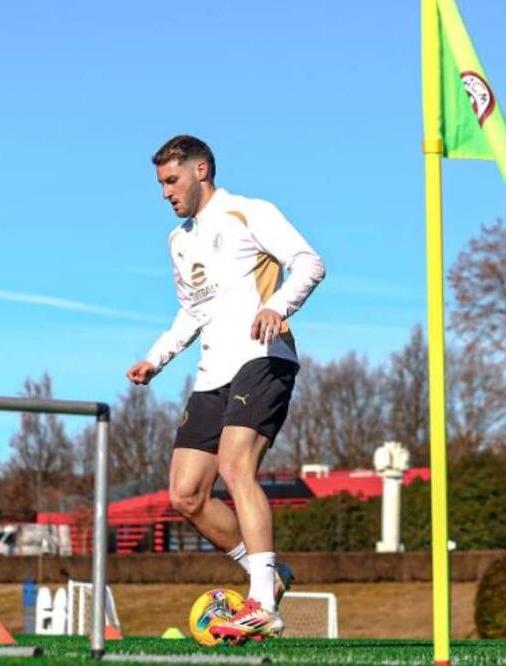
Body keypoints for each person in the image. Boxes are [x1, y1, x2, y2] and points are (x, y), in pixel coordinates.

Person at [125, 135, 325, 642]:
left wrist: (277, 307)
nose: (165, 193)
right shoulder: (179, 241)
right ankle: (268, 573)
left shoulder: (248, 212)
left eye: (172, 180)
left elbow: (309, 262)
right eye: (160, 184)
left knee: (237, 465)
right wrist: (156, 358)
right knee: (185, 494)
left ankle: (262, 603)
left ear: (201, 169)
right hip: (212, 374)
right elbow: (192, 312)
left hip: (263, 358)